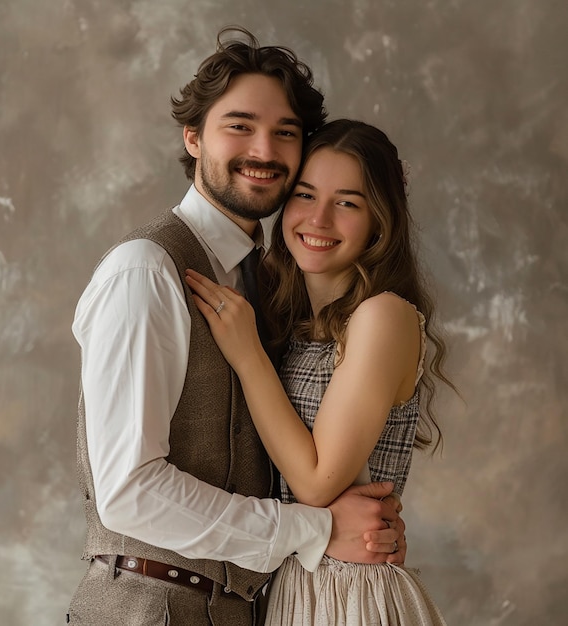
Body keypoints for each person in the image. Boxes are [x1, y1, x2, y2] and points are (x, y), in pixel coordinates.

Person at [67, 29, 406, 626]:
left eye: (286, 133)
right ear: (193, 137)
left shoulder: (270, 285)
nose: (264, 150)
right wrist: (319, 527)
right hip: (147, 608)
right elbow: (128, 492)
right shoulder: (145, 270)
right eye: (240, 126)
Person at [186, 119, 453, 624]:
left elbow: (314, 482)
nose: (319, 219)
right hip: (295, 582)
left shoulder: (383, 316)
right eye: (305, 195)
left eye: (347, 203)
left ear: (381, 220)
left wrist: (247, 356)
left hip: (350, 592)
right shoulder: (294, 320)